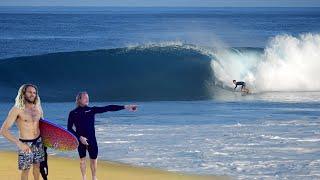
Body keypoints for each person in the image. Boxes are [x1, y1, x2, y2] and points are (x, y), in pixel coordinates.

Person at [67, 91, 137, 180]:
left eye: (88, 97)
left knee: (94, 159)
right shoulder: (73, 113)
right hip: (80, 139)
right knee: (82, 160)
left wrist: (125, 107)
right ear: (79, 99)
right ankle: (84, 178)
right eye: (85, 97)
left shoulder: (92, 110)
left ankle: (94, 177)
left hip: (91, 139)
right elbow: (69, 128)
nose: (87, 99)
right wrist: (79, 138)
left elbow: (108, 108)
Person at [0, 84, 45, 180]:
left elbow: (43, 125)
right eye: (29, 92)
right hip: (25, 143)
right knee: (26, 169)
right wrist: (19, 144)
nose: (32, 94)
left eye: (34, 93)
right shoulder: (17, 109)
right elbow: (3, 130)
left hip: (38, 141)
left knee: (37, 166)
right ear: (23, 93)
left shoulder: (38, 108)